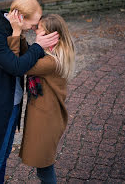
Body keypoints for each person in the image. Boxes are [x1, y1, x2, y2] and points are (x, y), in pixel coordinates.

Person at [0, 0, 59, 184]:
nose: (35, 28)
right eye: (34, 23)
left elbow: (23, 54)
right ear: (19, 16)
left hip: (12, 102)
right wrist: (38, 46)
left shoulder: (13, 30)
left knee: (3, 156)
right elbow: (17, 66)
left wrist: (21, 35)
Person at [7, 13, 75, 184]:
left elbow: (18, 65)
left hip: (46, 120)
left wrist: (16, 34)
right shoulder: (47, 53)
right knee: (43, 166)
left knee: (45, 167)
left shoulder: (51, 62)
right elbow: (29, 53)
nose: (36, 32)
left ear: (53, 36)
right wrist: (21, 33)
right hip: (46, 116)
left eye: (40, 31)